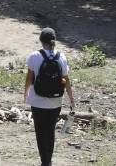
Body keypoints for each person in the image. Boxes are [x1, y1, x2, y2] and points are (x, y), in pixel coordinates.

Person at [23, 27, 75, 166]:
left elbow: (29, 78)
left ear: (41, 40)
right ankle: (49, 161)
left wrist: (26, 93)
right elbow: (66, 80)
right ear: (54, 41)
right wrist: (71, 98)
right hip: (55, 101)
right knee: (50, 131)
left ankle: (44, 162)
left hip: (37, 100)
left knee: (40, 132)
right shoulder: (61, 57)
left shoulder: (34, 56)